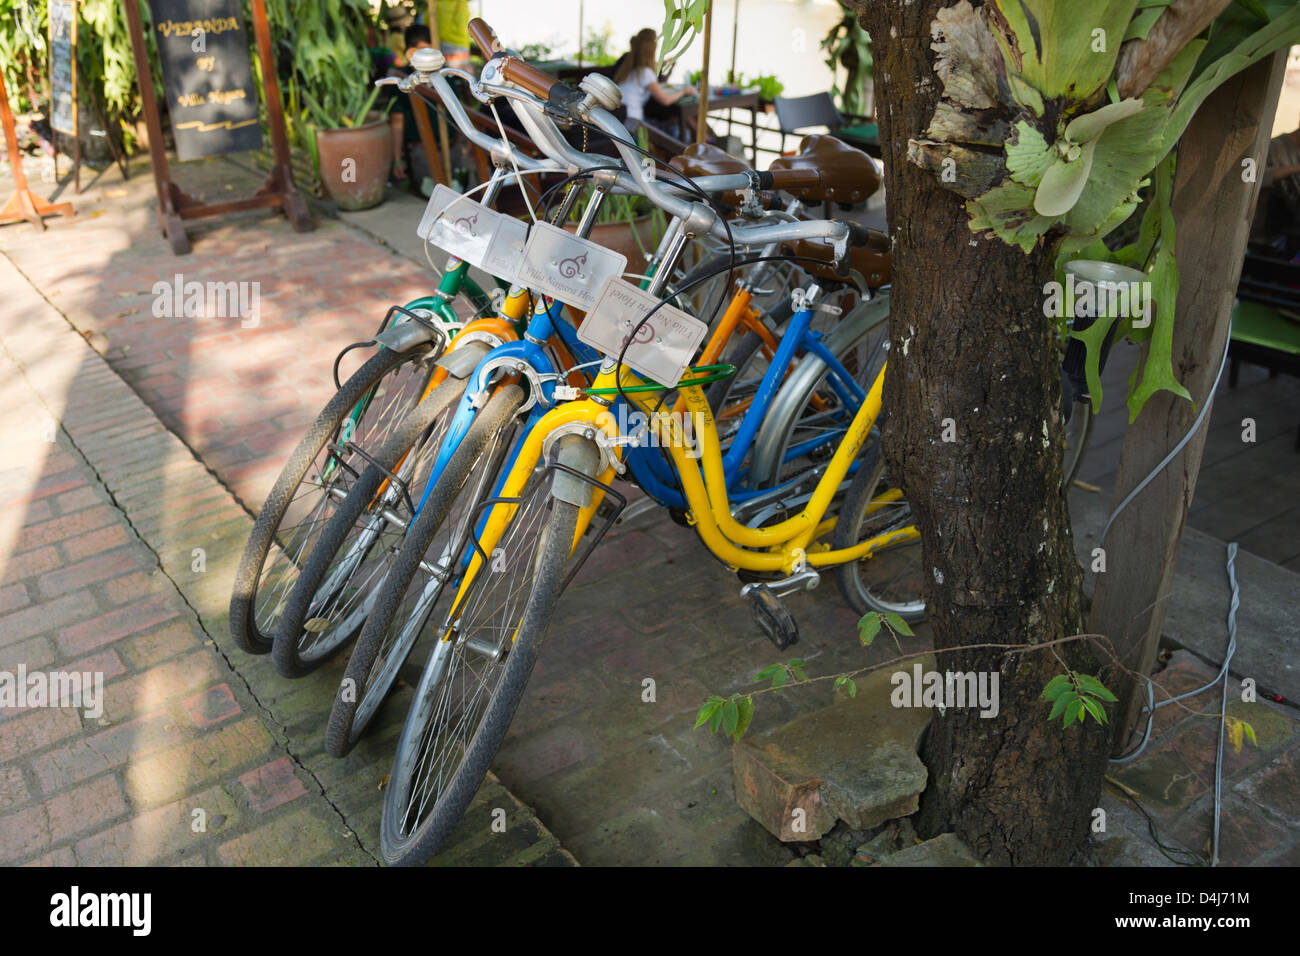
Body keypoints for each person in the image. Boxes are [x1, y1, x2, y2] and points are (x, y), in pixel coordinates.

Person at [614, 29, 694, 132]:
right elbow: (665, 100)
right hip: (632, 123)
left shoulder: (628, 66)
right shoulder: (646, 73)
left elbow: (652, 66)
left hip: (619, 117)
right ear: (653, 50)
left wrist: (665, 63)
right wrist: (685, 91)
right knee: (671, 125)